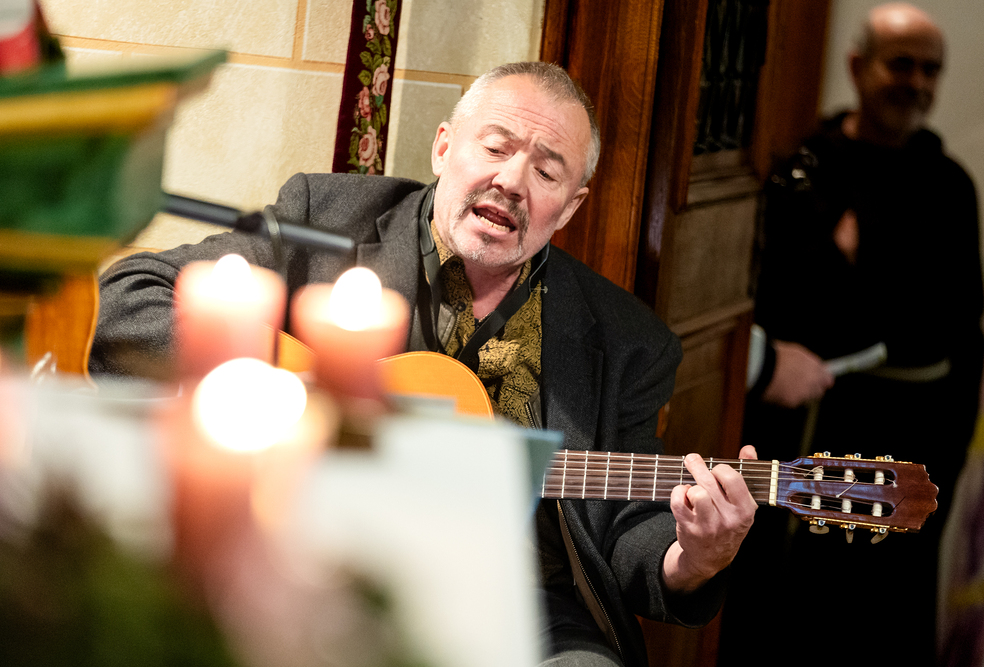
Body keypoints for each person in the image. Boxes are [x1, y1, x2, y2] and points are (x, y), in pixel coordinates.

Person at [90, 62, 758, 667]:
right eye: (494, 147)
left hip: (520, 603)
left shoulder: (629, 340)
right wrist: (290, 403)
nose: (511, 181)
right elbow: (130, 300)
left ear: (572, 205)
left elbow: (625, 532)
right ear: (443, 147)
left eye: (547, 172)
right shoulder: (329, 217)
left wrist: (694, 556)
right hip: (311, 563)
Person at [727, 5, 984, 665]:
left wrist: (860, 258)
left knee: (885, 619)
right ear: (858, 66)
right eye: (901, 64)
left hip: (917, 436)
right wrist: (862, 272)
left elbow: (946, 324)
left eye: (930, 70)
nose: (916, 82)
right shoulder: (805, 167)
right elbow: (792, 299)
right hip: (815, 430)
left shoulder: (952, 187)